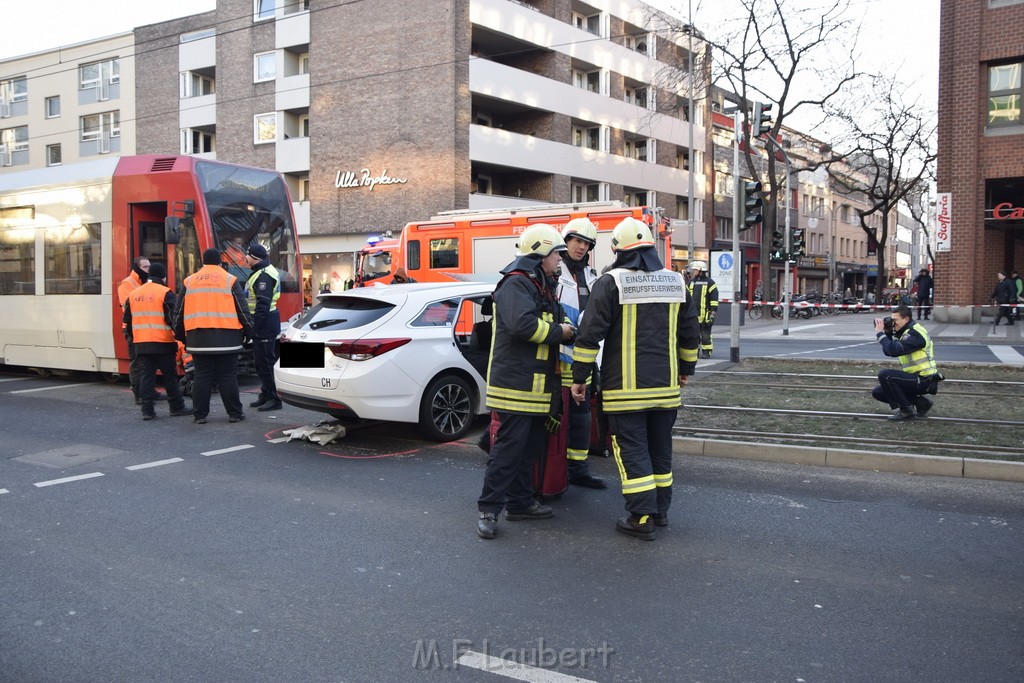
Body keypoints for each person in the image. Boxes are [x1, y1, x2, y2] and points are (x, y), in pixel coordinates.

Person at [570, 217, 700, 541]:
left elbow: (589, 337)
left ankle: (641, 517)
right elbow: (690, 334)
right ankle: (660, 510)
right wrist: (686, 370)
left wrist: (579, 378)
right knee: (661, 450)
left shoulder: (610, 282)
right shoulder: (676, 281)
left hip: (626, 392)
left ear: (616, 249)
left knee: (633, 451)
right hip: (667, 388)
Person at [477, 224, 575, 540]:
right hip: (514, 387)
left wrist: (570, 329)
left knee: (528, 450)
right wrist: (562, 332)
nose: (559, 260)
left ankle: (519, 504)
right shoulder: (515, 285)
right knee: (507, 452)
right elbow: (524, 326)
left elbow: (558, 322)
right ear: (540, 254)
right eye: (556, 254)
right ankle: (488, 511)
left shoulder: (541, 287)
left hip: (535, 388)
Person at [174, 248, 254, 424]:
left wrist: (182, 337)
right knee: (227, 376)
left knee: (202, 376)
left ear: (202, 262)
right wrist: (249, 332)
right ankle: (234, 413)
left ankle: (200, 415)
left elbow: (178, 313)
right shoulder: (229, 280)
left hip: (198, 339)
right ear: (219, 262)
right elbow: (243, 310)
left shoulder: (190, 281)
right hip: (228, 339)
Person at [554, 217, 606, 489]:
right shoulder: (554, 272)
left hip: (583, 361)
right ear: (566, 241)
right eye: (577, 241)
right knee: (553, 420)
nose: (581, 247)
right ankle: (553, 468)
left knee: (582, 418)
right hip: (556, 362)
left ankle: (579, 469)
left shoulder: (593, 276)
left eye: (586, 243)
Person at [123, 262, 193, 420]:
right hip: (163, 342)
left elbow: (127, 320)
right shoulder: (166, 293)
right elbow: (173, 319)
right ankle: (176, 406)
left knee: (147, 376)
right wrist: (181, 338)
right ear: (163, 276)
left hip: (141, 344)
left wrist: (134, 340)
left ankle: (147, 410)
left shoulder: (134, 294)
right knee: (169, 376)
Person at [871, 304, 941, 421]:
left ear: (906, 319)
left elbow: (893, 350)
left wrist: (880, 334)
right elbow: (888, 351)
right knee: (878, 392)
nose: (893, 323)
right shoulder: (906, 331)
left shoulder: (915, 334)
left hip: (925, 380)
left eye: (895, 320)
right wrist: (887, 333)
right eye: (891, 320)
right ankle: (920, 403)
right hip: (914, 378)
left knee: (885, 375)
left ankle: (906, 411)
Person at [244, 244, 283, 412]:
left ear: (255, 257)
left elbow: (263, 305)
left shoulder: (264, 276)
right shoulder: (261, 272)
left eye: (247, 255)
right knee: (260, 364)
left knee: (266, 363)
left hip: (265, 323)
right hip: (264, 322)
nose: (245, 258)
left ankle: (274, 399)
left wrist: (253, 327)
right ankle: (266, 393)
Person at [118, 256, 158, 404]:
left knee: (148, 361)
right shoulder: (127, 284)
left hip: (146, 327)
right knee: (137, 362)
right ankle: (139, 394)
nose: (148, 270)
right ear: (137, 268)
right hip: (133, 329)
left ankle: (149, 391)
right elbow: (127, 306)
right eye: (145, 267)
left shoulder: (146, 282)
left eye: (149, 267)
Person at [687, 260, 718, 358]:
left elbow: (714, 300)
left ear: (701, 270)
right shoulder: (691, 282)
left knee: (705, 336)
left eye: (695, 270)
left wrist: (713, 313)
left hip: (705, 315)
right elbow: (687, 297)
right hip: (693, 315)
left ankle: (706, 352)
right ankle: (695, 352)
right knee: (693, 336)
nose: (693, 272)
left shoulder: (710, 283)